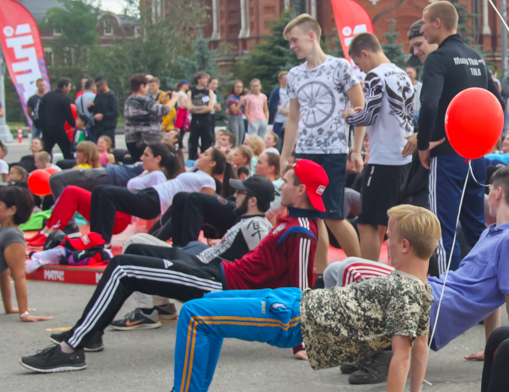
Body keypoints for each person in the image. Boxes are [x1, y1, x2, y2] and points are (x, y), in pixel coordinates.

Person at [123, 204, 448, 392]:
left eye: (389, 236)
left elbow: (404, 354)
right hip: (295, 302)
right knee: (207, 305)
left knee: (195, 314)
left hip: (292, 318)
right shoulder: (419, 288)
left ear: (404, 245)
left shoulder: (408, 291)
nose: (385, 241)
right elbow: (420, 345)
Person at [19, 159, 326, 372]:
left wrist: (300, 340)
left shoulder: (300, 230)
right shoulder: (290, 223)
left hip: (219, 285)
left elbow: (300, 289)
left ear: (300, 191)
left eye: (286, 181)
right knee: (125, 261)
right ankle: (88, 335)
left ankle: (71, 349)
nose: (281, 186)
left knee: (124, 268)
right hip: (215, 275)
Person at [324, 165, 509, 365]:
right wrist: (490, 348)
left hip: (434, 305)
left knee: (346, 268)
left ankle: (372, 347)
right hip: (430, 289)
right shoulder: (492, 232)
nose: (487, 196)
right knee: (336, 271)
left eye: (489, 190)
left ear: (498, 193)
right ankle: (368, 347)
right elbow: (492, 302)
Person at [109, 175, 277, 330]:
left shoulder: (255, 225)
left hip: (201, 273)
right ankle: (161, 307)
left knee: (135, 243)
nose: (234, 196)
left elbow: (263, 266)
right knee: (137, 241)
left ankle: (146, 312)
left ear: (252, 200)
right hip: (197, 263)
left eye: (240, 192)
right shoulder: (251, 221)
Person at [415, 2, 497, 273]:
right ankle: (483, 297)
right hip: (476, 155)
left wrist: (424, 144)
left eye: (424, 22)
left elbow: (428, 104)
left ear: (438, 22)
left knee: (442, 229)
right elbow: (492, 102)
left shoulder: (439, 57)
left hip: (448, 154)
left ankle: (449, 303)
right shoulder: (476, 57)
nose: (422, 28)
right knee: (476, 227)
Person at [279, 13, 364, 264]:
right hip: (306, 152)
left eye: (294, 40)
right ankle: (318, 270)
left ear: (311, 36)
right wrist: (286, 155)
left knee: (333, 215)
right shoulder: (294, 74)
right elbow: (293, 119)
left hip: (333, 151)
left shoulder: (340, 66)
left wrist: (356, 149)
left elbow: (360, 109)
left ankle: (363, 270)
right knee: (309, 214)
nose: (292, 46)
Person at [343, 32, 416, 262]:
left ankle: (369, 276)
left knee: (367, 223)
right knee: (387, 221)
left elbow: (369, 116)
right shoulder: (402, 73)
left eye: (358, 63)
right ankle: (382, 270)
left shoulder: (375, 75)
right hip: (403, 157)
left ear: (365, 53)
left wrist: (348, 117)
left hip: (383, 158)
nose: (361, 70)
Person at [88, 148, 228, 245]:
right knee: (99, 190)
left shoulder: (209, 181)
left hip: (155, 201)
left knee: (107, 193)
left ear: (212, 163)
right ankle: (93, 239)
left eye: (206, 154)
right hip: (152, 193)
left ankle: (102, 243)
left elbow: (202, 208)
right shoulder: (196, 173)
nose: (200, 155)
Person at [0, 187, 51, 323]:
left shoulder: (12, 235)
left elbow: (19, 276)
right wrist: (9, 307)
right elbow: (4, 273)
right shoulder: (2, 231)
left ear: (12, 210)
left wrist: (24, 314)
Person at [123, 73, 176, 163]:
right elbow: (163, 111)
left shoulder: (129, 100)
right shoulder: (144, 100)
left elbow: (146, 110)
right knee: (149, 165)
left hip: (131, 139)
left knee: (137, 164)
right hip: (145, 141)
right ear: (142, 86)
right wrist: (174, 99)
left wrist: (161, 101)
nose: (148, 89)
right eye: (147, 86)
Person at [37, 77, 76, 160]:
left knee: (46, 150)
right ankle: (69, 165)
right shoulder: (64, 99)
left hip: (46, 128)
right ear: (64, 87)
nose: (69, 89)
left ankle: (44, 165)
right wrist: (73, 124)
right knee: (67, 149)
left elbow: (39, 111)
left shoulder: (46, 96)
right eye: (69, 86)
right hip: (58, 128)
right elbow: (68, 114)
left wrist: (40, 124)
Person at [186, 73, 215, 161]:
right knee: (193, 140)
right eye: (205, 78)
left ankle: (205, 159)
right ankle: (192, 159)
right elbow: (189, 107)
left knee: (206, 141)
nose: (206, 80)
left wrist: (196, 108)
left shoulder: (209, 92)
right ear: (198, 80)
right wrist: (202, 107)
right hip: (195, 119)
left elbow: (210, 108)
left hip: (206, 119)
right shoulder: (191, 92)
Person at [91, 77, 120, 149]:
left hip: (108, 128)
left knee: (109, 148)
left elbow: (115, 113)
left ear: (103, 84)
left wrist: (103, 116)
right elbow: (96, 109)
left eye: (98, 86)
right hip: (98, 127)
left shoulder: (112, 97)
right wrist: (91, 107)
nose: (97, 88)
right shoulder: (98, 96)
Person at [225, 80, 246, 147]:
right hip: (233, 118)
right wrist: (241, 102)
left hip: (240, 117)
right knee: (235, 136)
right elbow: (234, 110)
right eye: (237, 87)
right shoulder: (231, 97)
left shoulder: (241, 97)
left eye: (241, 87)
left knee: (241, 136)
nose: (239, 89)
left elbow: (243, 110)